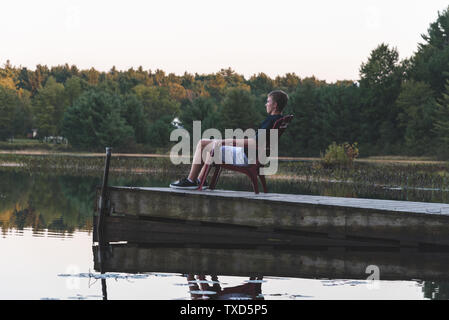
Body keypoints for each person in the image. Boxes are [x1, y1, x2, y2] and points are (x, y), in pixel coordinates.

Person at [169, 90, 288, 189]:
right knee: (209, 144)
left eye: (268, 102)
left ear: (275, 105)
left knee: (203, 143)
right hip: (252, 156)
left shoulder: (271, 120)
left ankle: (191, 180)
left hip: (246, 157)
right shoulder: (278, 120)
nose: (265, 104)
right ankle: (200, 180)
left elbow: (254, 142)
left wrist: (227, 141)